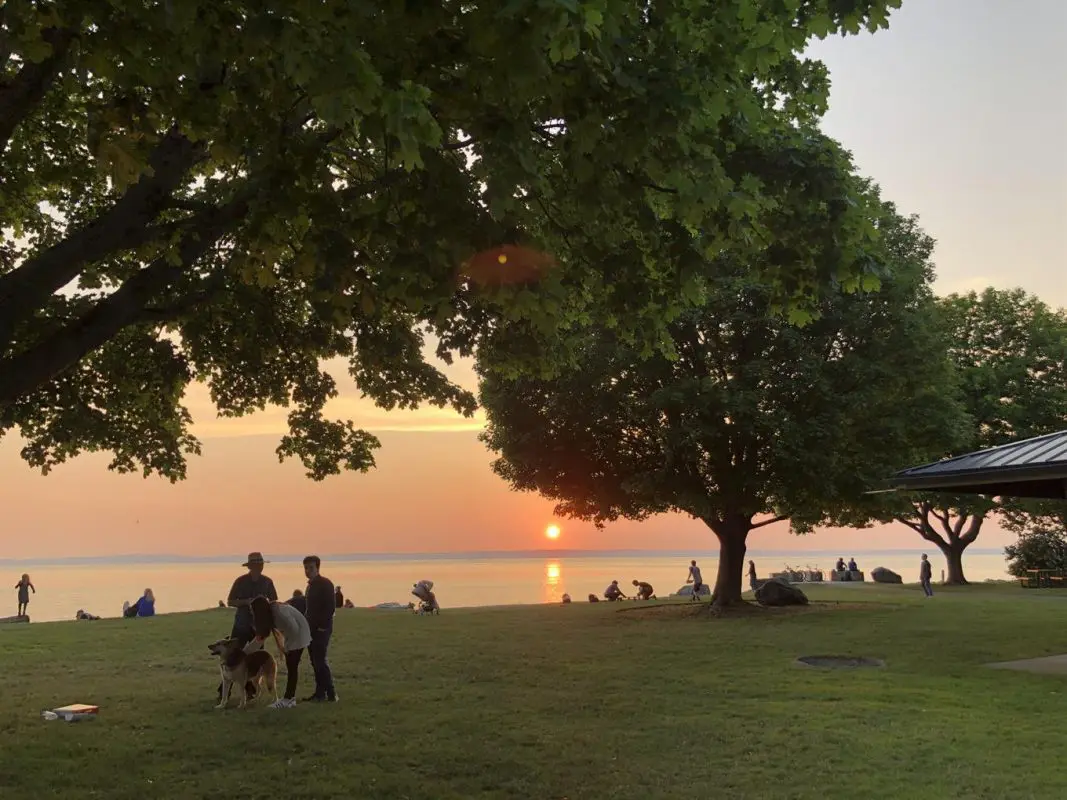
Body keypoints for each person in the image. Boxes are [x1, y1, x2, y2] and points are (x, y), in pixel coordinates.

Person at [249, 595, 312, 710]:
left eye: (253, 611)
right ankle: (290, 699)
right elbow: (260, 638)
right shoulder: (270, 615)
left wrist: (288, 646)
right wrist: (245, 652)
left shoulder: (278, 613)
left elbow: (294, 628)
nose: (252, 614)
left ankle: (288, 699)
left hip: (300, 634)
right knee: (292, 666)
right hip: (295, 635)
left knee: (292, 666)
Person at [304, 555, 337, 702]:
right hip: (310, 629)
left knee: (320, 661)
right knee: (314, 661)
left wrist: (322, 627)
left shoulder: (325, 584)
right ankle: (319, 693)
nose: (307, 571)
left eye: (311, 568)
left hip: (322, 629)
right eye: (306, 568)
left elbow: (330, 607)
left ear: (317, 568)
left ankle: (331, 693)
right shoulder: (310, 586)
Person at [226, 552, 278, 645]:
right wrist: (247, 602)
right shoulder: (240, 581)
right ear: (250, 567)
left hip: (259, 627)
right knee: (236, 651)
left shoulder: (267, 582)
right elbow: (230, 602)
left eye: (261, 564)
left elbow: (273, 602)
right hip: (241, 624)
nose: (260, 567)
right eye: (257, 565)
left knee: (257, 653)